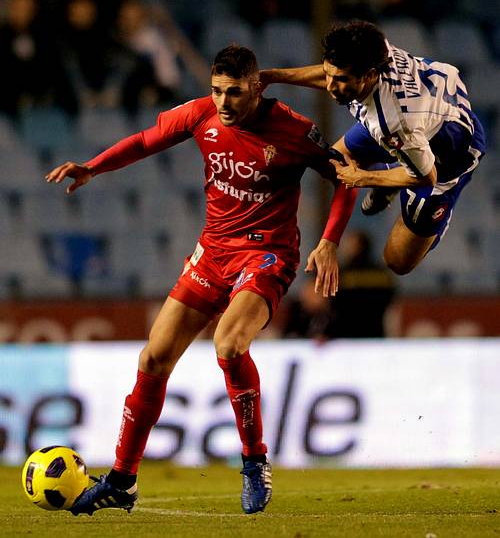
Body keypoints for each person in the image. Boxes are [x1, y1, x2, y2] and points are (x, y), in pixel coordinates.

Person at [45, 45, 357, 515]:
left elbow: (345, 178)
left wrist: (329, 241)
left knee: (229, 344)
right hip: (212, 254)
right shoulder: (200, 114)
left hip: (266, 254)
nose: (224, 102)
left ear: (256, 87)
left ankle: (254, 461)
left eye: (234, 92)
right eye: (217, 91)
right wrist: (94, 166)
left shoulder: (293, 130)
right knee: (154, 357)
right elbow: (146, 140)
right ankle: (123, 480)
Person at [260, 20, 486, 275]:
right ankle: (396, 167)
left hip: (447, 157)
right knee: (335, 161)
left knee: (397, 261)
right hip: (427, 115)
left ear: (369, 75)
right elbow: (335, 73)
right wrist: (272, 76)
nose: (330, 86)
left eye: (341, 80)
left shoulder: (391, 122)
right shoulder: (373, 48)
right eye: (328, 74)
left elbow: (426, 176)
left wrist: (365, 178)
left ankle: (409, 182)